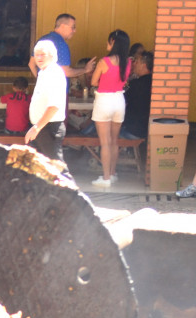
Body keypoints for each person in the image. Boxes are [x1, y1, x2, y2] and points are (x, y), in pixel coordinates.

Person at [87, 29, 131, 187]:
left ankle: (105, 179)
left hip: (104, 100)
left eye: (108, 41)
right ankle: (112, 174)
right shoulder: (128, 62)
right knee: (114, 141)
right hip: (119, 99)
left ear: (113, 42)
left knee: (104, 142)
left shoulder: (103, 61)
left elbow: (93, 82)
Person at [26, 38, 66, 162]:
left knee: (56, 169)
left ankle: (67, 182)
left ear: (52, 55)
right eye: (36, 54)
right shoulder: (44, 72)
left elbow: (54, 105)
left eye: (42, 54)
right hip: (41, 127)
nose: (39, 58)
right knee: (37, 167)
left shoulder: (54, 73)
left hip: (48, 127)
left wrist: (37, 127)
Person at [30, 13, 79, 78]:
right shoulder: (61, 44)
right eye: (72, 27)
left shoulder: (42, 40)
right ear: (63, 26)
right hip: (57, 87)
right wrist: (85, 69)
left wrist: (40, 80)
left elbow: (31, 64)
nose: (74, 31)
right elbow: (66, 72)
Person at [119, 51, 151, 140]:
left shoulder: (137, 84)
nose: (133, 64)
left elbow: (122, 100)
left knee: (102, 121)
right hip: (145, 130)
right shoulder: (153, 82)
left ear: (144, 65)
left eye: (136, 62)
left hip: (132, 131)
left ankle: (81, 142)